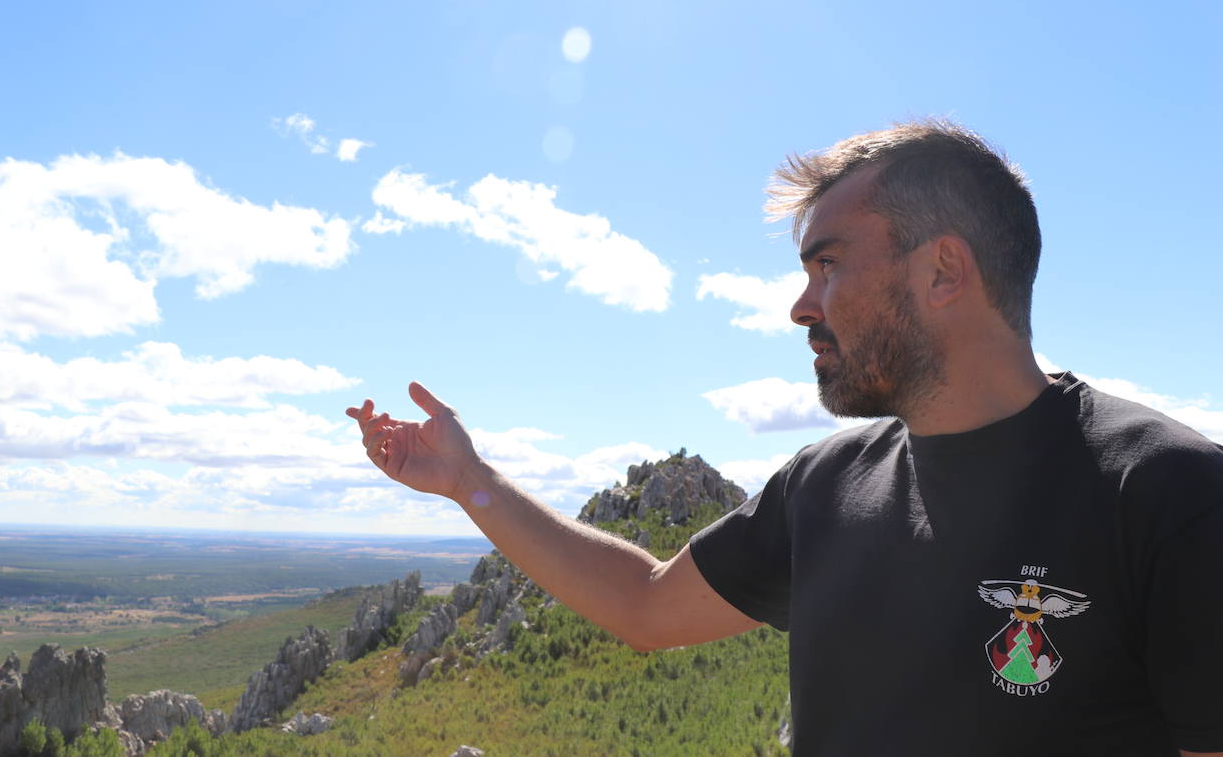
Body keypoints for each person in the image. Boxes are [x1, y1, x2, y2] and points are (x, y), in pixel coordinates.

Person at [347, 120, 1223, 757]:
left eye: (828, 264)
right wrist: (473, 484)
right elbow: (648, 606)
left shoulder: (1168, 494)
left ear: (944, 270)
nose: (802, 306)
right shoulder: (826, 484)